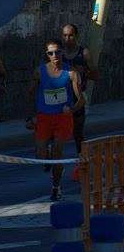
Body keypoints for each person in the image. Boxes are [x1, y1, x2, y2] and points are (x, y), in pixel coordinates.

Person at [27, 39, 85, 201]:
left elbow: (81, 100)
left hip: (63, 118)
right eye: (50, 53)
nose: (55, 56)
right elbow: (30, 94)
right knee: (41, 154)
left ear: (62, 53)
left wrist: (72, 109)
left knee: (58, 153)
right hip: (44, 118)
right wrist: (30, 117)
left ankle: (56, 187)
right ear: (46, 55)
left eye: (57, 52)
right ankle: (48, 159)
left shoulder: (71, 73)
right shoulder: (39, 72)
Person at [61, 24, 98, 157]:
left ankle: (83, 161)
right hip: (60, 97)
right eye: (65, 35)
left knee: (77, 133)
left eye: (70, 35)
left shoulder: (84, 53)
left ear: (76, 36)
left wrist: (84, 73)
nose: (67, 38)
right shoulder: (57, 54)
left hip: (77, 98)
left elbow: (95, 75)